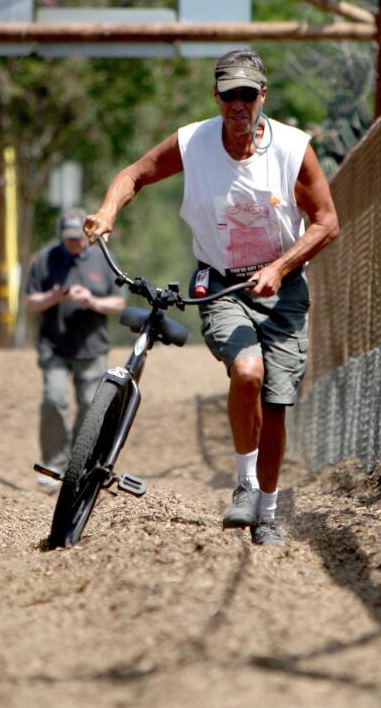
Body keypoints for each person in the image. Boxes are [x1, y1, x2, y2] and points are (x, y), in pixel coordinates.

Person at [84, 50, 339, 545]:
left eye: (248, 94)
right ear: (217, 97)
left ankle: (267, 511)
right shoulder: (194, 142)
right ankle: (244, 485)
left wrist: (281, 267)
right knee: (247, 371)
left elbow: (327, 222)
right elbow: (133, 174)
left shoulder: (291, 149)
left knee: (277, 402)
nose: (238, 104)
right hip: (222, 283)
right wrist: (107, 212)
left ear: (263, 95)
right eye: (229, 94)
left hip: (283, 289)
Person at [26, 208, 126, 486]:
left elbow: (118, 303)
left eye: (78, 238)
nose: (74, 243)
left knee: (89, 406)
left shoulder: (103, 258)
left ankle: (78, 462)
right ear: (61, 236)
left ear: (87, 235)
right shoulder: (46, 259)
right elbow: (31, 302)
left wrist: (91, 300)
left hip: (92, 347)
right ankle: (53, 463)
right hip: (54, 346)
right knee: (54, 399)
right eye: (68, 238)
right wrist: (53, 297)